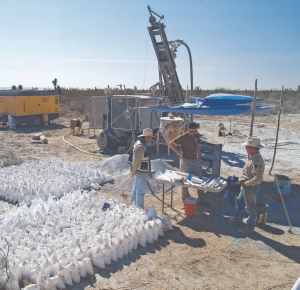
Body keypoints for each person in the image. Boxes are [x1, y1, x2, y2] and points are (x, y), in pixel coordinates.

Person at [228, 136, 265, 234]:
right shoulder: (252, 157)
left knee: (250, 208)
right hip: (245, 186)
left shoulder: (257, 161)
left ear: (253, 148)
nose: (246, 148)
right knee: (240, 202)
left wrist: (247, 183)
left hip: (250, 187)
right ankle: (238, 219)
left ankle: (250, 227)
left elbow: (258, 178)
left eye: (248, 147)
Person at [169, 122, 209, 207]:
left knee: (200, 180)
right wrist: (180, 153)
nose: (193, 133)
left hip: (194, 161)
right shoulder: (183, 137)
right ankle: (185, 199)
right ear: (188, 130)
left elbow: (198, 145)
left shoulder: (196, 136)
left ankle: (201, 199)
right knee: (184, 181)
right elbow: (171, 143)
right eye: (191, 131)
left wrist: (198, 154)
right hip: (186, 162)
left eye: (194, 131)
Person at [128, 128, 155, 209]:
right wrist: (133, 171)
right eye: (150, 138)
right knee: (140, 192)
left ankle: (133, 206)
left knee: (136, 189)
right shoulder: (140, 146)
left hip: (139, 170)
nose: (151, 140)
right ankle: (140, 209)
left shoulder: (141, 144)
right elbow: (136, 160)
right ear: (146, 137)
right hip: (141, 171)